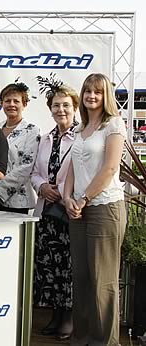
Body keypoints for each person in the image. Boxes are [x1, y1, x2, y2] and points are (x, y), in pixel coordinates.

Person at [63, 73, 126, 345]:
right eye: (87, 91)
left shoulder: (114, 125)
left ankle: (105, 341)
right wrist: (67, 198)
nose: (91, 96)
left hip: (104, 208)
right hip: (78, 210)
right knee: (83, 277)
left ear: (106, 96)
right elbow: (73, 170)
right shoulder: (80, 129)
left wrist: (84, 199)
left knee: (103, 281)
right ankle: (82, 337)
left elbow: (109, 168)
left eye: (97, 92)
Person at [31, 80, 79, 341]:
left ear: (74, 108)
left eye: (66, 105)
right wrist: (42, 187)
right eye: (56, 106)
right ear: (50, 109)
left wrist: (61, 190)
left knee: (67, 267)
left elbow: (83, 170)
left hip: (69, 211)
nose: (61, 110)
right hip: (47, 212)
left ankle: (68, 318)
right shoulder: (46, 138)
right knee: (48, 266)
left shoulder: (82, 136)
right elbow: (35, 173)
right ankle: (55, 316)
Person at [0, 81, 40, 214]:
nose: (11, 104)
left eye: (16, 101)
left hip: (18, 202)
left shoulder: (31, 131)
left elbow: (26, 167)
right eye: (7, 101)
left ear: (24, 104)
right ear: (2, 103)